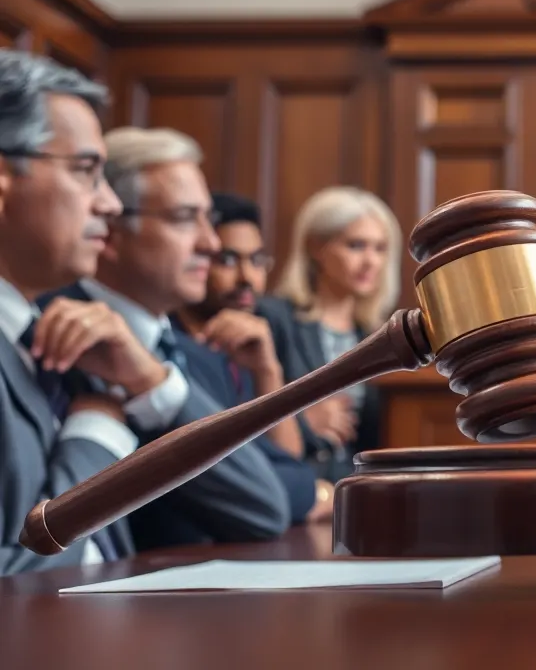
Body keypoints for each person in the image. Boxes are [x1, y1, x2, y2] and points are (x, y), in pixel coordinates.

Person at [42, 126, 291, 550]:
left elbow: (273, 500)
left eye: (207, 220)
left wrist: (155, 385)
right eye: (183, 218)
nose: (210, 244)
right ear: (111, 230)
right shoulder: (45, 332)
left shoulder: (196, 355)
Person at [0, 50, 142, 574]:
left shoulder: (50, 336)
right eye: (86, 171)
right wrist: (95, 437)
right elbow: (12, 576)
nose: (110, 204)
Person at [172, 192, 331, 524]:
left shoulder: (254, 339)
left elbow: (289, 457)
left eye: (257, 261)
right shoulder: (170, 344)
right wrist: (313, 493)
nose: (247, 277)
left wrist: (267, 370)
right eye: (228, 260)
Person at [261, 186, 402, 482]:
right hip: (292, 490)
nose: (371, 261)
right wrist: (302, 424)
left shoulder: (380, 335)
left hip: (356, 491)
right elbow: (239, 411)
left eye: (380, 248)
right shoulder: (274, 319)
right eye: (356, 245)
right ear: (316, 248)